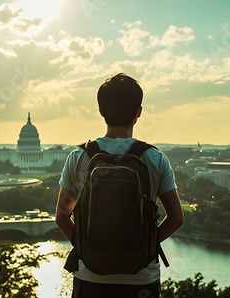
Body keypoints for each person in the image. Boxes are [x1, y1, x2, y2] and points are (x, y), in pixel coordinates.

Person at [56, 73, 184, 298]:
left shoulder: (78, 157)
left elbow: (61, 217)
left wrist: (87, 249)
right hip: (142, 280)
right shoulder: (154, 159)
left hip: (90, 278)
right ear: (138, 112)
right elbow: (176, 219)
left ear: (101, 111)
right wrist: (145, 248)